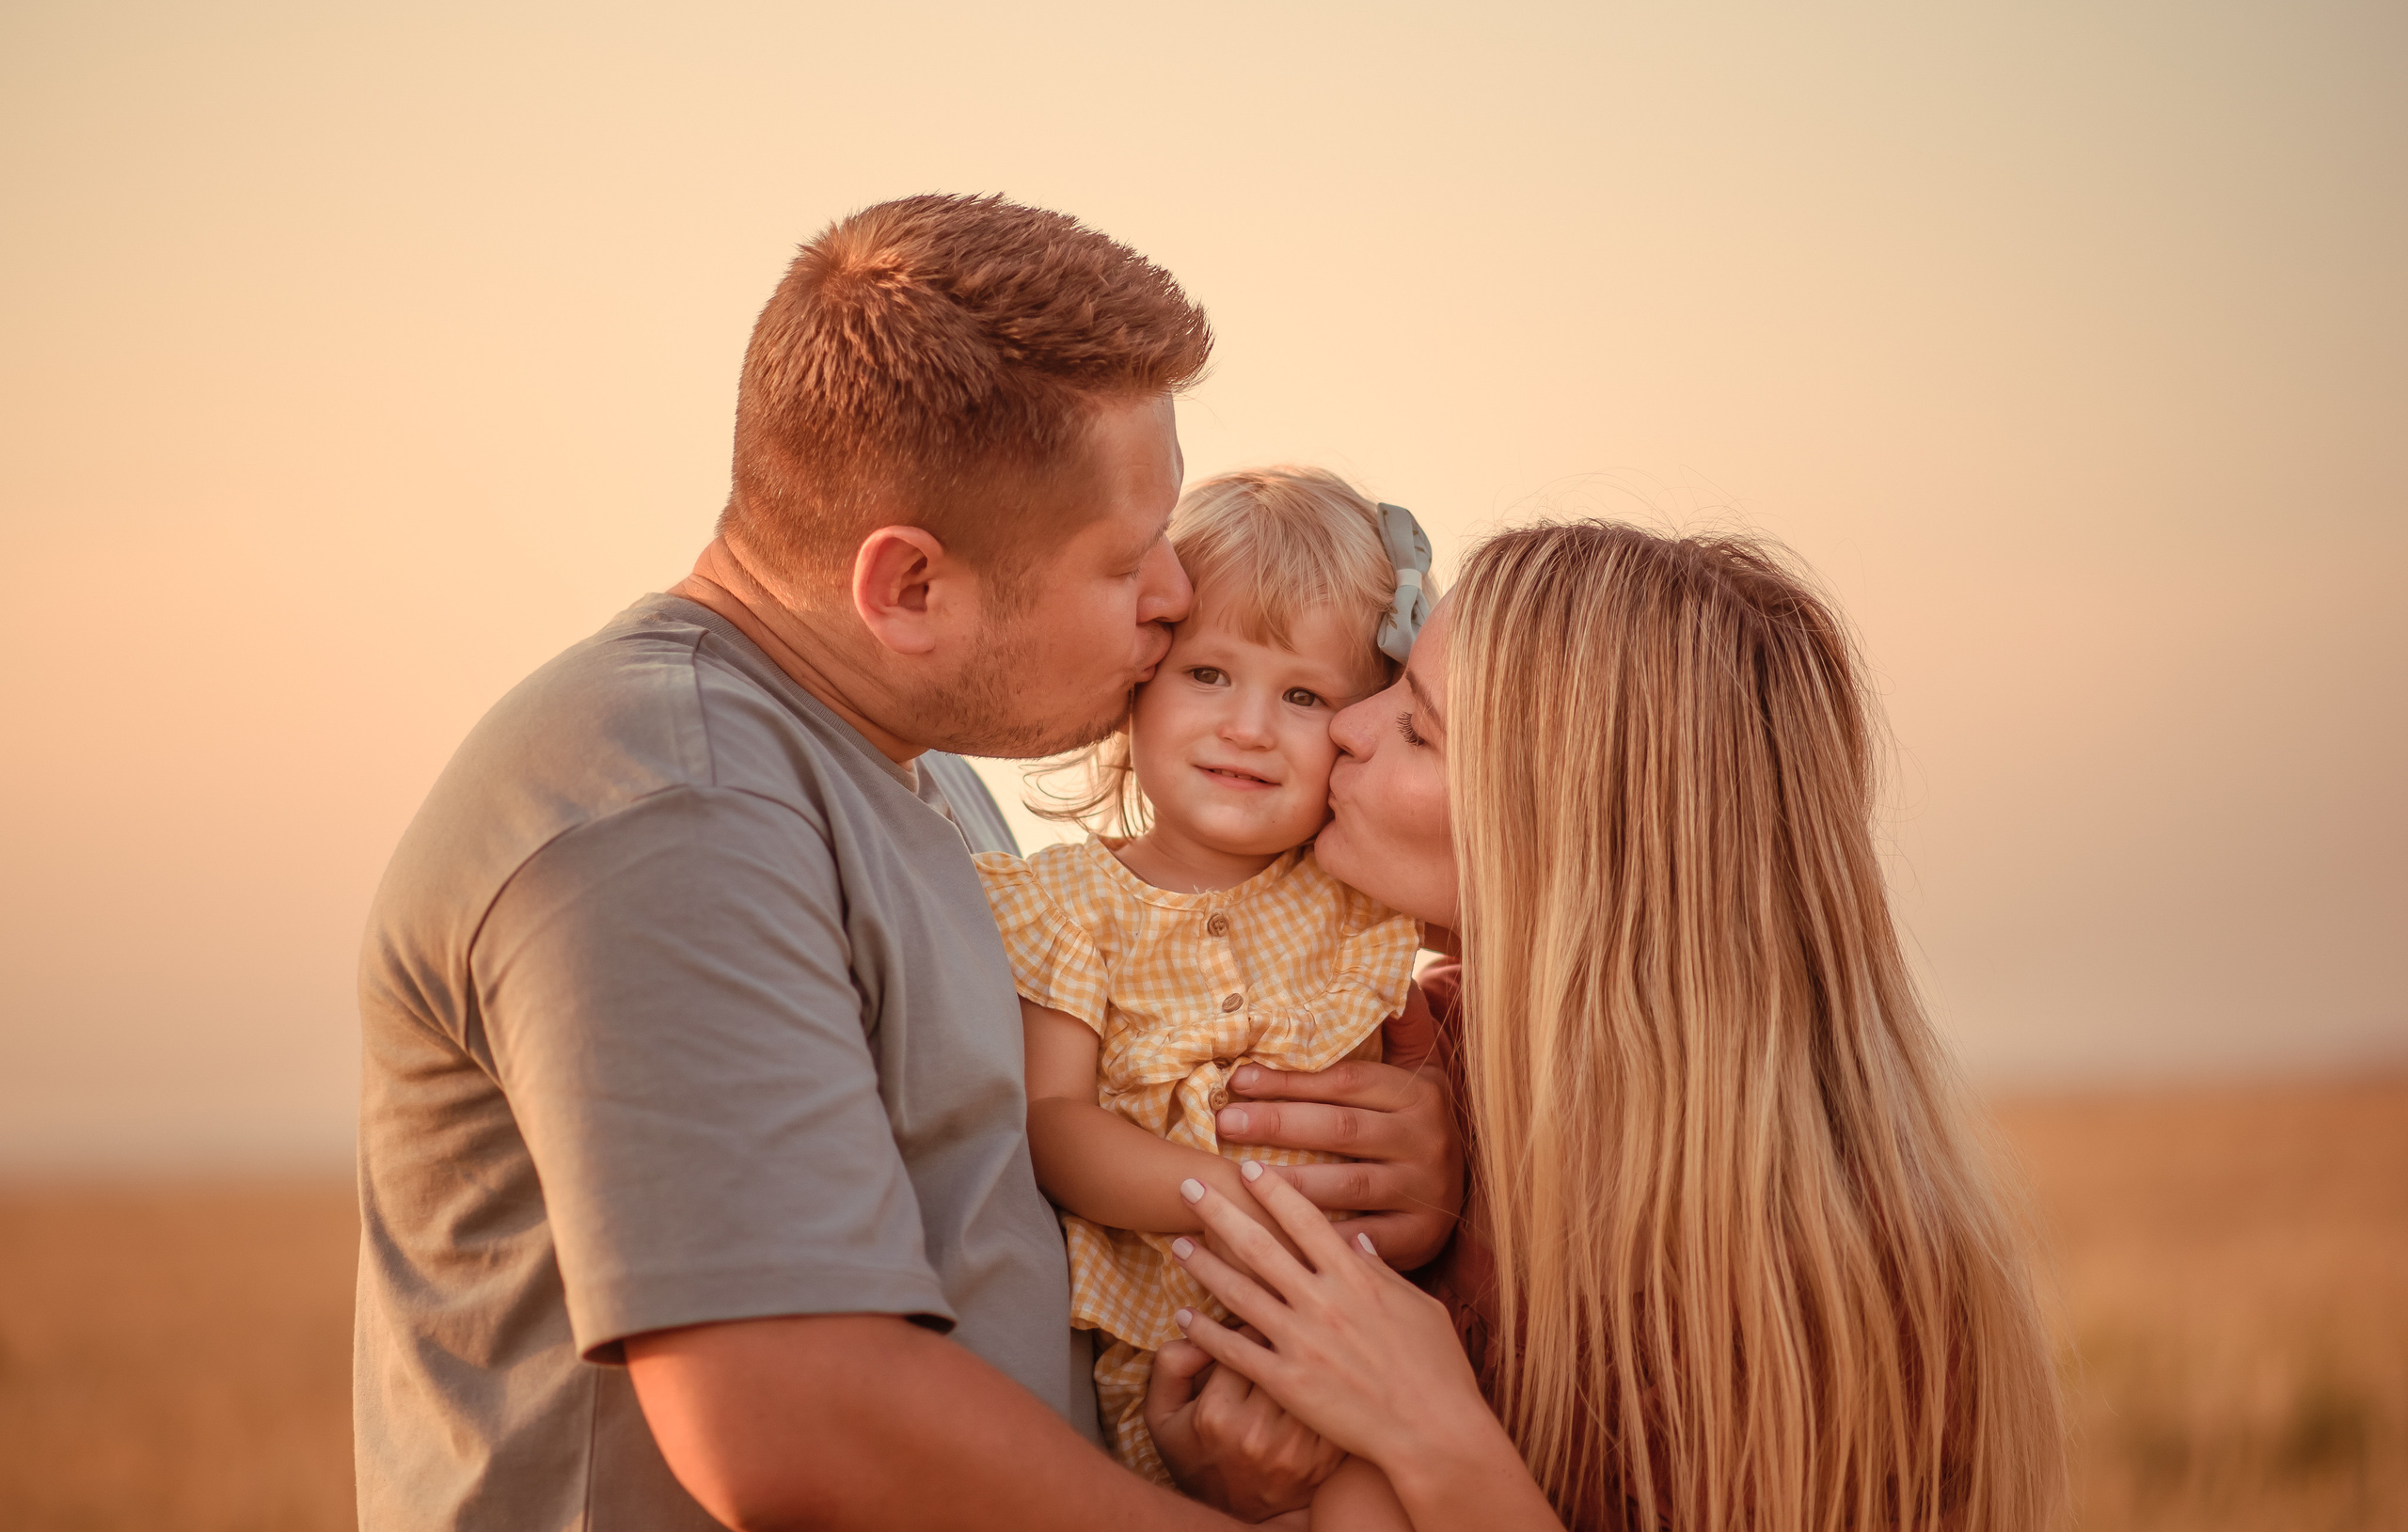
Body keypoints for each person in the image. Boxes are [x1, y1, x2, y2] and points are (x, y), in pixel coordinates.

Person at [352, 195, 1463, 1531]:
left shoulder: (914, 782)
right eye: (1129, 559)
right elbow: (794, 1417)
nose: (1176, 596)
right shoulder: (670, 807)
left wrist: (1387, 1166)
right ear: (909, 588)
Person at [1159, 522, 2070, 1531]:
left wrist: (1434, 1432)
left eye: (1417, 728)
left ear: (1563, 839)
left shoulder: (1843, 1279)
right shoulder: (1394, 1053)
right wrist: (1231, 1491)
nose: (1344, 725)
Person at [974, 467, 1432, 1492]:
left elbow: (1398, 1100)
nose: (1249, 726)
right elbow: (1055, 1122)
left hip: (1369, 1328)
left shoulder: (1356, 899)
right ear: (1137, 684)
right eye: (1210, 673)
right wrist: (1232, 1196)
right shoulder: (1072, 903)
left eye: (1304, 695)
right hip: (1177, 1347)